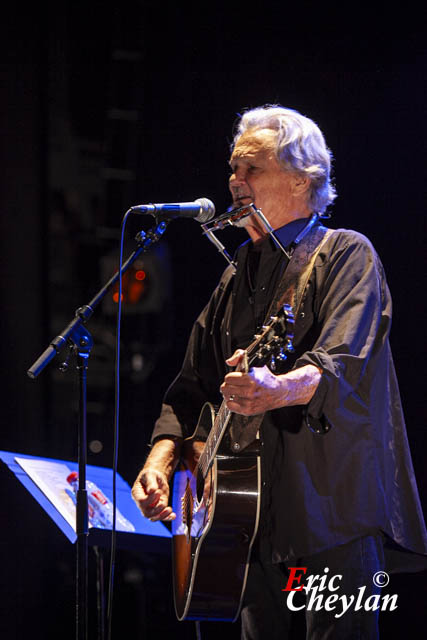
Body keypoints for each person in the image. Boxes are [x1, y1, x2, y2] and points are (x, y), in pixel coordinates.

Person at [132, 105, 427, 639]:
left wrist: (278, 387)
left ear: (301, 179)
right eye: (233, 168)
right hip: (244, 524)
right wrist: (161, 457)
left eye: (251, 169)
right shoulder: (236, 273)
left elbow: (344, 363)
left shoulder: (346, 254)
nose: (234, 181)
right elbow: (191, 387)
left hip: (331, 512)